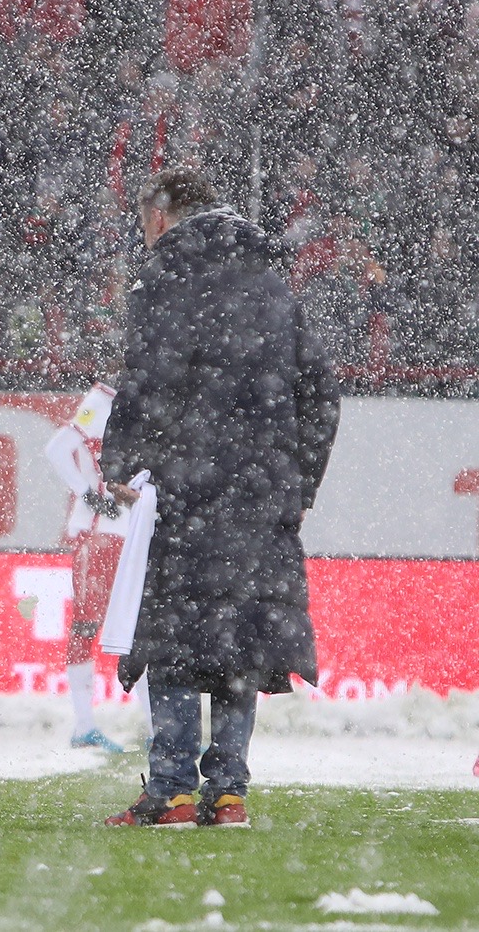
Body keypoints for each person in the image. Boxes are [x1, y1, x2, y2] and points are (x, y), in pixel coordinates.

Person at [101, 167, 339, 828]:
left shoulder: (169, 281)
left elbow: (150, 375)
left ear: (165, 215)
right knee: (242, 639)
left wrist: (121, 458)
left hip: (194, 484)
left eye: (147, 218)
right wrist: (300, 479)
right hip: (263, 497)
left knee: (175, 636)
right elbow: (321, 392)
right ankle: (228, 791)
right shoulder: (273, 289)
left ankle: (172, 789)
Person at [43, 380, 145, 754]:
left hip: (134, 533)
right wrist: (87, 493)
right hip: (100, 534)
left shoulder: (153, 400)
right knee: (88, 625)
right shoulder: (101, 402)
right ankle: (84, 724)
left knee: (142, 630)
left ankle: (154, 728)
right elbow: (56, 449)